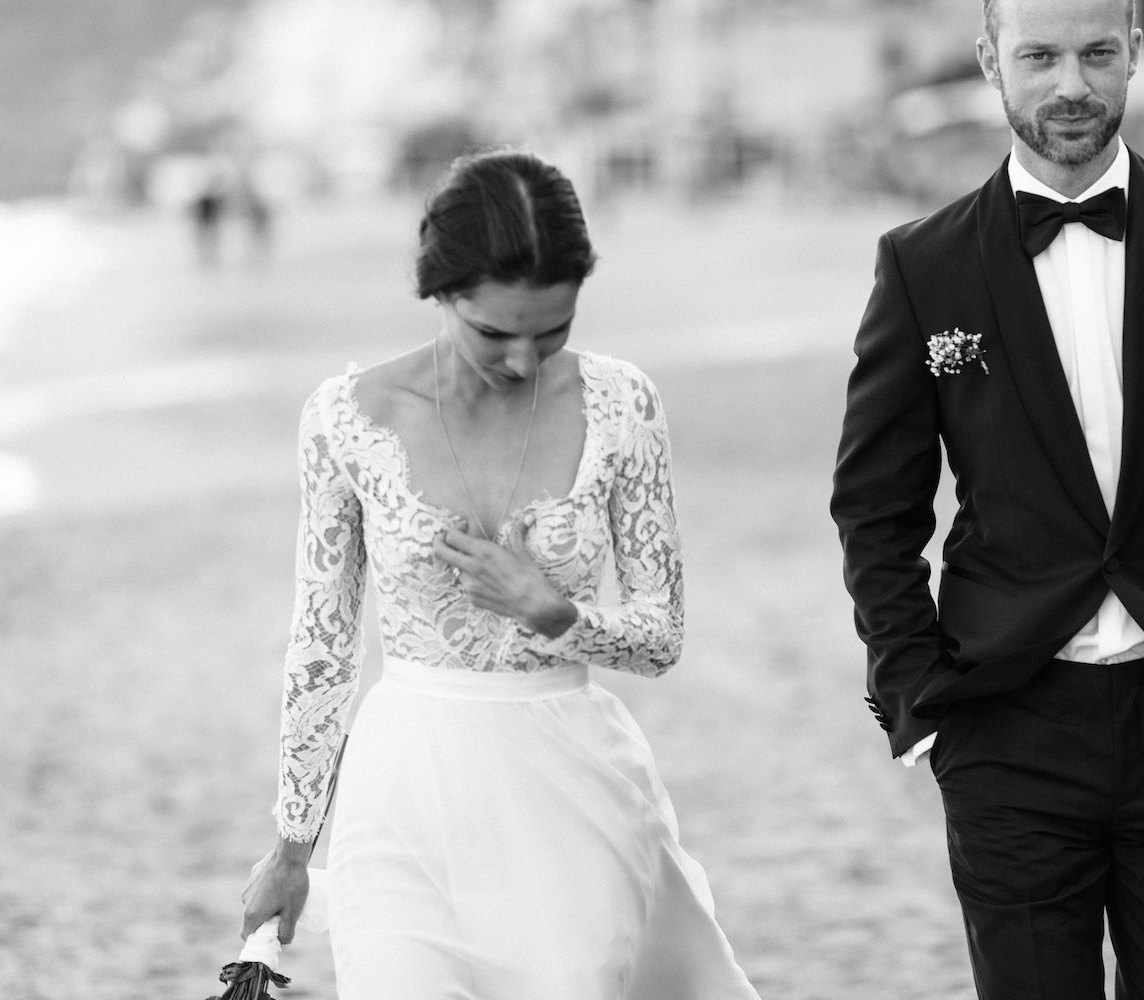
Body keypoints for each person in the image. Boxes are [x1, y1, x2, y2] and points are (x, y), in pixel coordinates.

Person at [830, 0, 1144, 997]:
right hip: (1007, 726)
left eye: (1099, 53)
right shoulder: (922, 266)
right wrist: (917, 699)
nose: (1071, 84)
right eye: (1041, 56)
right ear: (990, 60)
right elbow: (876, 506)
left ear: (1136, 54)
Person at [241, 149, 761, 1000]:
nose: (524, 358)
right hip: (403, 786)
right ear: (440, 291)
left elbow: (662, 637)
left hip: (568, 789)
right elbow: (323, 647)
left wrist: (559, 615)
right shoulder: (343, 420)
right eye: (495, 332)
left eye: (551, 330)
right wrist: (293, 848)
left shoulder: (623, 406)